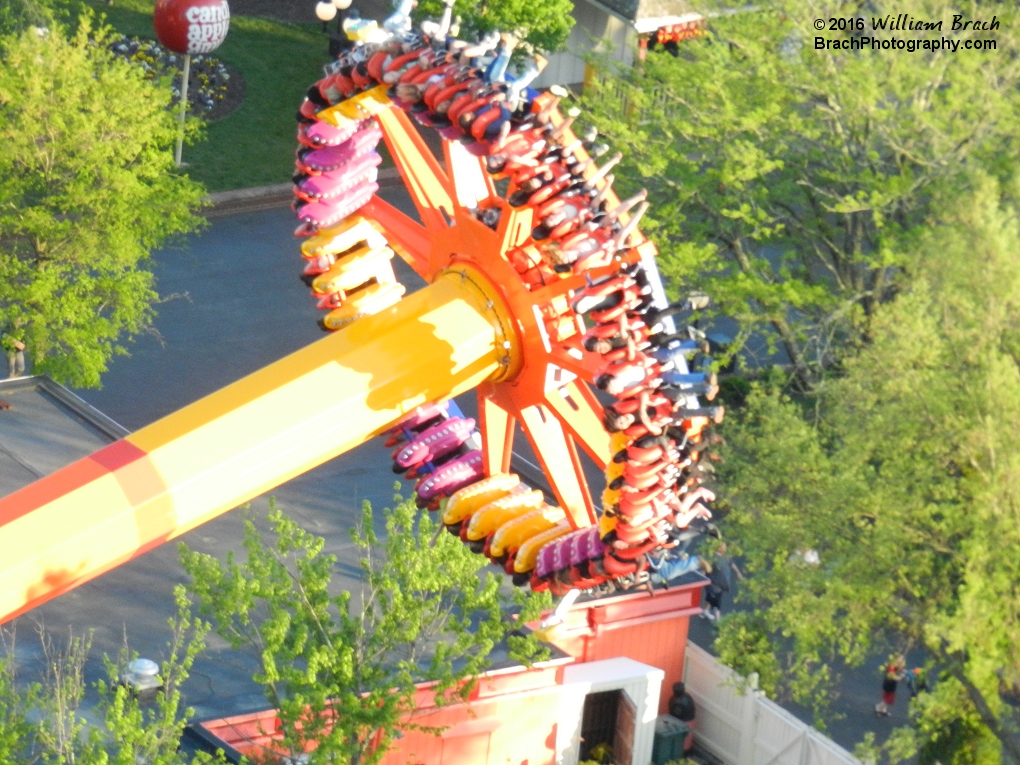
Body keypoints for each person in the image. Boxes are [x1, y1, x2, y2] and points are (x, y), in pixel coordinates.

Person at [700, 543, 744, 621]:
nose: (725, 549)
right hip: (713, 582)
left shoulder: (726, 557)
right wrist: (701, 578)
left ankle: (705, 611)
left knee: (713, 597)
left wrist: (738, 572)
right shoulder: (712, 558)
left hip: (722, 584)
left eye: (725, 547)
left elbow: (732, 564)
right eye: (723, 547)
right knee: (716, 599)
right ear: (718, 548)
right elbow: (704, 568)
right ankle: (718, 619)